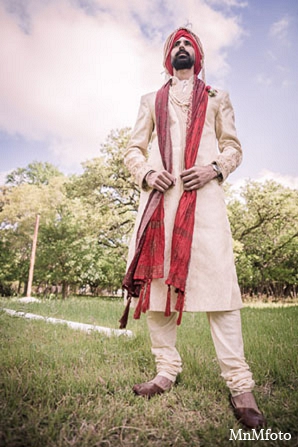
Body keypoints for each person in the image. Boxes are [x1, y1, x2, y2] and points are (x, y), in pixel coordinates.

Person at [120, 27, 266, 430]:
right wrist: (148, 171)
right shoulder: (150, 101)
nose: (182, 48)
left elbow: (233, 147)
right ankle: (165, 371)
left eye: (189, 44)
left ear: (197, 56)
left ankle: (240, 385)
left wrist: (214, 168)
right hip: (158, 203)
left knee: (221, 288)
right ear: (168, 56)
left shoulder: (218, 98)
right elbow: (133, 148)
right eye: (176, 44)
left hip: (205, 204)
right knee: (158, 287)